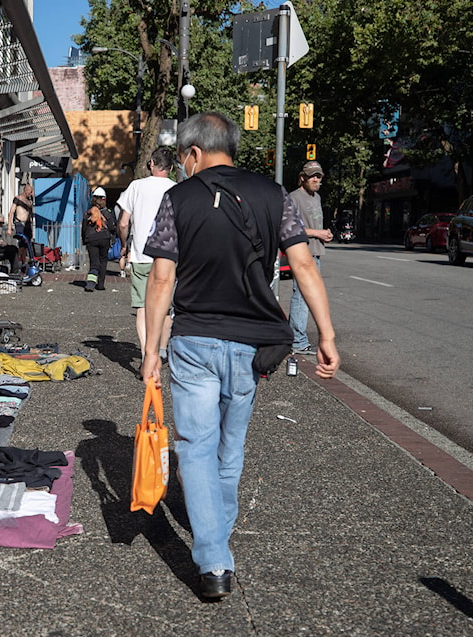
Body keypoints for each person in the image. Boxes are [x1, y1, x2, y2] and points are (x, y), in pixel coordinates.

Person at [141, 112, 340, 600]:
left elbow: (162, 278)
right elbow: (303, 264)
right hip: (253, 346)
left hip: (194, 342)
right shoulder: (274, 195)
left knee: (196, 448)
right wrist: (327, 335)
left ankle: (212, 560)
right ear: (230, 146)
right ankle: (216, 541)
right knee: (230, 448)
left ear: (191, 154)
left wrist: (151, 349)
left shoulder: (177, 198)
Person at [117, 147, 176, 363]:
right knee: (166, 307)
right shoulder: (177, 189)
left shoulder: (136, 187)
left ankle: (145, 353)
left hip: (141, 254)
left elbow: (124, 223)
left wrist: (124, 246)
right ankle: (160, 349)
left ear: (151, 163)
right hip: (168, 257)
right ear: (170, 168)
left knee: (141, 306)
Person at [288, 160, 333, 355]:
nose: (316, 179)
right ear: (302, 177)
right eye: (313, 176)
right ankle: (297, 340)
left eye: (319, 176)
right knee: (302, 297)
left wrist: (325, 234)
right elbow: (291, 228)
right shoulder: (293, 198)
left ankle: (297, 338)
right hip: (302, 253)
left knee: (308, 296)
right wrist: (318, 233)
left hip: (315, 252)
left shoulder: (317, 197)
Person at [81, 186, 117, 291]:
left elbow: (84, 228)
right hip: (104, 239)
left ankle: (90, 283)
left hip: (91, 239)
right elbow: (112, 227)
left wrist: (84, 240)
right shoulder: (107, 213)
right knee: (103, 261)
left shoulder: (88, 213)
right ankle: (100, 284)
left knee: (94, 263)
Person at [8, 182, 35, 264]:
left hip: (27, 225)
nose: (31, 194)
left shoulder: (29, 202)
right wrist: (9, 227)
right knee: (22, 244)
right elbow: (11, 212)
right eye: (30, 192)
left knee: (26, 245)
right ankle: (16, 261)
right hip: (19, 224)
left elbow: (30, 216)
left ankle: (23, 264)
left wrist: (32, 229)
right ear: (26, 191)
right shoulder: (18, 199)